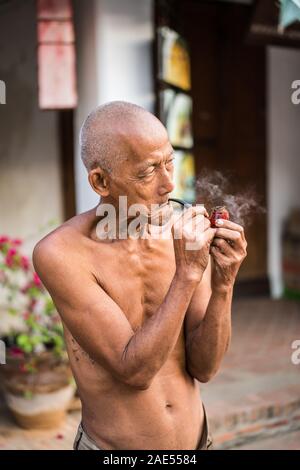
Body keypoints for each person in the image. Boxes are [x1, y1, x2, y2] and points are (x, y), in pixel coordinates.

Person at [33, 101, 247, 450]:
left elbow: (206, 368)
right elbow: (135, 372)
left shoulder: (182, 235)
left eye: (169, 163)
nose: (168, 185)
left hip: (197, 444)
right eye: (148, 172)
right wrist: (187, 275)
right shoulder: (61, 254)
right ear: (101, 181)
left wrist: (224, 283)